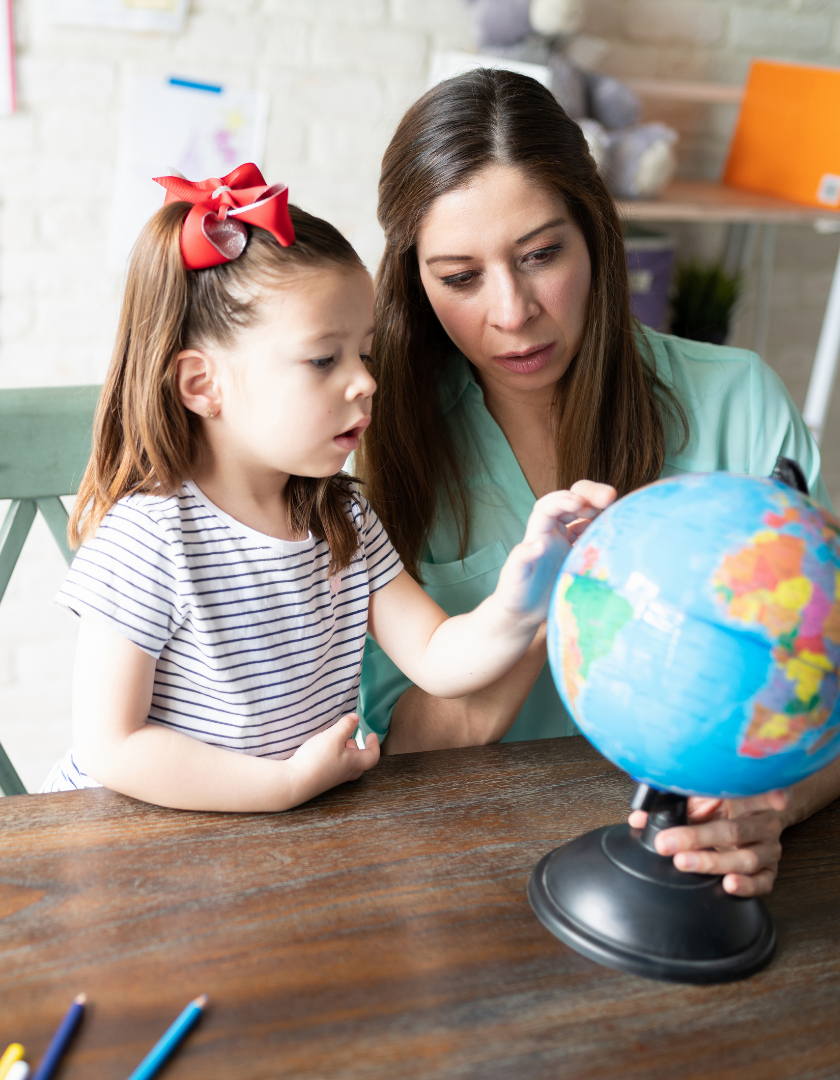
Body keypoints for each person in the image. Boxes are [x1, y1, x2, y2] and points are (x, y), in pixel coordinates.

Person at [355, 68, 840, 896]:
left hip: (690, 870)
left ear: (597, 235)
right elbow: (400, 747)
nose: (512, 312)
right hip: (470, 865)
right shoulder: (380, 440)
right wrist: (556, 602)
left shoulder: (739, 400)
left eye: (542, 255)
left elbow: (825, 678)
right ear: (414, 280)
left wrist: (769, 807)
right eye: (461, 277)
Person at [41, 163, 615, 812]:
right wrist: (281, 786)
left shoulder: (344, 518)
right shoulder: (151, 538)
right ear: (202, 385)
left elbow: (434, 655)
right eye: (324, 359)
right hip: (133, 842)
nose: (365, 382)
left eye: (363, 354)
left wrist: (518, 602)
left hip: (273, 848)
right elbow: (112, 745)